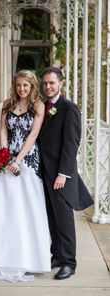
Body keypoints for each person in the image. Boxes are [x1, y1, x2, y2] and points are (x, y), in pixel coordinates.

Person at [0, 70, 50, 282]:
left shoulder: (38, 106)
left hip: (27, 159)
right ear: (14, 86)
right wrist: (5, 156)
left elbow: (33, 135)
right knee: (3, 206)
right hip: (8, 160)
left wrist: (18, 161)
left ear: (32, 86)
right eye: (18, 85)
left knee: (25, 207)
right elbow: (3, 130)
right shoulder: (8, 104)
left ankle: (29, 258)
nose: (21, 89)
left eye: (25, 86)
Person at [39, 67, 93, 280]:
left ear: (60, 84)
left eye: (52, 83)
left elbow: (72, 144)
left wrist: (63, 174)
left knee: (64, 220)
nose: (48, 87)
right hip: (45, 172)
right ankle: (57, 255)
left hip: (61, 175)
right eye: (45, 83)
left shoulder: (69, 108)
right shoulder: (43, 106)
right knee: (52, 218)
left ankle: (69, 262)